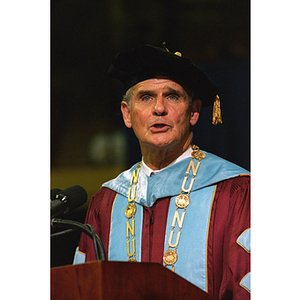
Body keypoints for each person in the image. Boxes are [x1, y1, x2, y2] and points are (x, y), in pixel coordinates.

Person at [73, 45, 250, 300]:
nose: (159, 109)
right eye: (146, 97)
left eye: (172, 96)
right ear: (127, 113)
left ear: (194, 112)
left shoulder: (235, 193)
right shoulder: (107, 202)